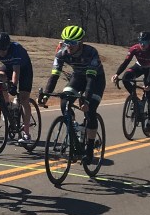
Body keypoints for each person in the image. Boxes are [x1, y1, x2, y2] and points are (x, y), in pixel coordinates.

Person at [38, 25, 106, 161]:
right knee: (64, 103)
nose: (69, 46)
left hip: (95, 80)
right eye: (66, 42)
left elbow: (90, 79)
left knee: (90, 110)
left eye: (73, 43)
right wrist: (46, 94)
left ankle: (89, 148)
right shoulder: (61, 53)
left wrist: (85, 99)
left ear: (80, 42)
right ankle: (74, 129)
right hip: (78, 77)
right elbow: (54, 76)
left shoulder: (91, 52)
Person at [0, 33, 36, 143]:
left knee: (24, 98)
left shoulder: (16, 49)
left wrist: (14, 85)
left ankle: (26, 134)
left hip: (24, 69)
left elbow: (16, 71)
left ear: (8, 47)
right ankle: (8, 106)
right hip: (9, 66)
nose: (1, 53)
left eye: (4, 50)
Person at [112, 31, 150, 121]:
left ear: (149, 42)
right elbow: (126, 62)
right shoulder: (134, 48)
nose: (142, 44)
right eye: (140, 41)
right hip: (139, 67)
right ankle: (136, 99)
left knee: (149, 94)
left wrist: (148, 84)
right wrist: (117, 74)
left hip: (149, 69)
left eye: (145, 42)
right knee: (126, 77)